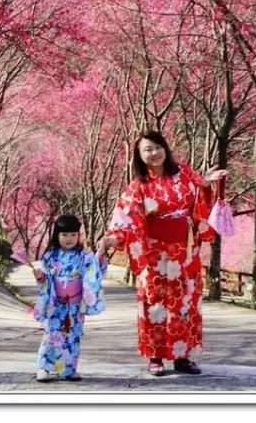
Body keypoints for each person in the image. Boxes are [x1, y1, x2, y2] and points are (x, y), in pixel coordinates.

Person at [103, 130, 227, 376]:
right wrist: (113, 237)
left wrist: (205, 183)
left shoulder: (185, 174)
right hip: (154, 252)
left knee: (186, 302)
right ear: (139, 156)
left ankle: (183, 357)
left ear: (165, 148)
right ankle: (155, 356)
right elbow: (126, 219)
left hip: (185, 251)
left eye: (158, 147)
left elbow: (201, 198)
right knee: (154, 302)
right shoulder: (138, 186)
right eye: (147, 150)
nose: (154, 153)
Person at [33, 214, 108, 383]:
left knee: (73, 336)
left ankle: (69, 369)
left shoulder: (84, 255)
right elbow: (45, 279)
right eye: (64, 235)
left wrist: (101, 253)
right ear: (57, 235)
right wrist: (40, 277)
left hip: (75, 305)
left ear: (79, 235)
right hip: (56, 303)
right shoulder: (50, 256)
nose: (69, 239)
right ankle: (44, 367)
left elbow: (95, 272)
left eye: (73, 234)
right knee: (52, 334)